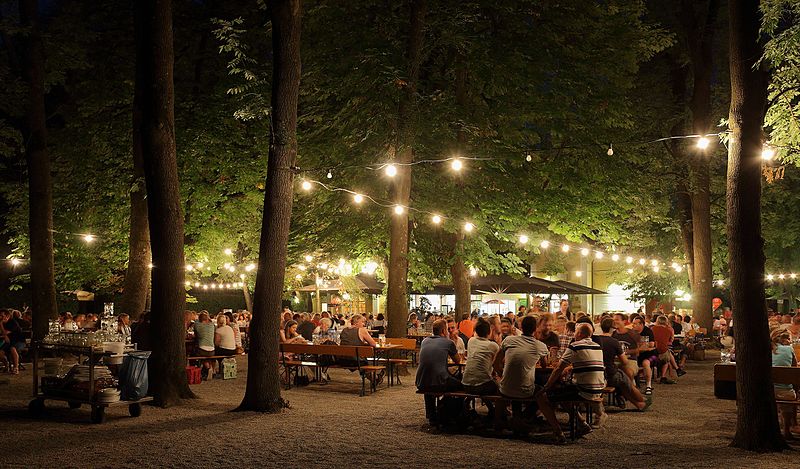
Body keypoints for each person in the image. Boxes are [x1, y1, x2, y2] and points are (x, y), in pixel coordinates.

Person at [496, 315, 565, 444]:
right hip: (525, 390)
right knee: (541, 393)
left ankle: (510, 422)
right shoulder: (540, 346)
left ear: (521, 327)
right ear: (535, 329)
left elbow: (496, 363)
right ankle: (557, 430)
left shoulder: (509, 340)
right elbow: (545, 365)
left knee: (514, 382)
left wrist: (502, 374)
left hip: (505, 388)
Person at [540, 323, 606, 436]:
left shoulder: (575, 346)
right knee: (563, 390)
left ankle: (559, 430)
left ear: (579, 333)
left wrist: (546, 386)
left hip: (584, 389)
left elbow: (557, 369)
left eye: (575, 331)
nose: (574, 334)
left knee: (547, 395)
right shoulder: (597, 346)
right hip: (599, 388)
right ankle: (581, 423)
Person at [596, 317, 650, 411]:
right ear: (613, 328)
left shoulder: (596, 340)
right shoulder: (613, 342)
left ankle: (638, 404)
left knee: (623, 378)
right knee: (625, 381)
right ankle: (642, 400)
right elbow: (624, 361)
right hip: (609, 374)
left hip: (597, 374)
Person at [416, 319, 462, 425]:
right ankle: (449, 411)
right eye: (447, 329)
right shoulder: (448, 342)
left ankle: (431, 415)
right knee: (460, 385)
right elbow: (458, 360)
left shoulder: (425, 341)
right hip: (440, 382)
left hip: (421, 382)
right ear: (443, 331)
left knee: (429, 378)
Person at [771, 328, 800, 439]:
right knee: (792, 391)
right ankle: (787, 429)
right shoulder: (789, 349)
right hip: (785, 393)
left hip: (765, 390)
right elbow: (794, 370)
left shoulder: (766, 348)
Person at [462, 319, 499, 395]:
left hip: (465, 384)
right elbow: (497, 362)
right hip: (483, 386)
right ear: (489, 332)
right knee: (501, 388)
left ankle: (467, 404)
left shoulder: (471, 341)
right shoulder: (493, 346)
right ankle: (494, 407)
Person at [631, 314, 658, 395]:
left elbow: (651, 344)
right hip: (636, 354)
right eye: (633, 323)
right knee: (627, 363)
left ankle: (648, 386)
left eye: (635, 324)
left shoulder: (648, 331)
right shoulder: (632, 332)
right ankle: (633, 387)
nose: (633, 325)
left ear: (641, 324)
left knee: (645, 363)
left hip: (650, 355)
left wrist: (639, 345)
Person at [611, 313, 640, 381]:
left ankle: (630, 389)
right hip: (615, 361)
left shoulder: (632, 334)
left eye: (617, 319)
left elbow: (639, 350)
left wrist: (626, 352)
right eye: (613, 320)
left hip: (630, 360)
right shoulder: (612, 334)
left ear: (624, 321)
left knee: (628, 372)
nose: (615, 322)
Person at [652, 315, 679, 384]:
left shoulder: (652, 328)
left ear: (657, 321)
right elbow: (670, 342)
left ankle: (675, 370)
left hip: (652, 354)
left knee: (667, 353)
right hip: (663, 354)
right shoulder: (669, 330)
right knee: (667, 358)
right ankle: (663, 376)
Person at [193, 312, 216, 379]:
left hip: (202, 350)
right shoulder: (212, 325)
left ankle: (207, 367)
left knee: (196, 353)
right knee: (207, 355)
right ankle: (208, 368)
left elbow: (196, 334)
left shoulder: (197, 325)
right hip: (212, 350)